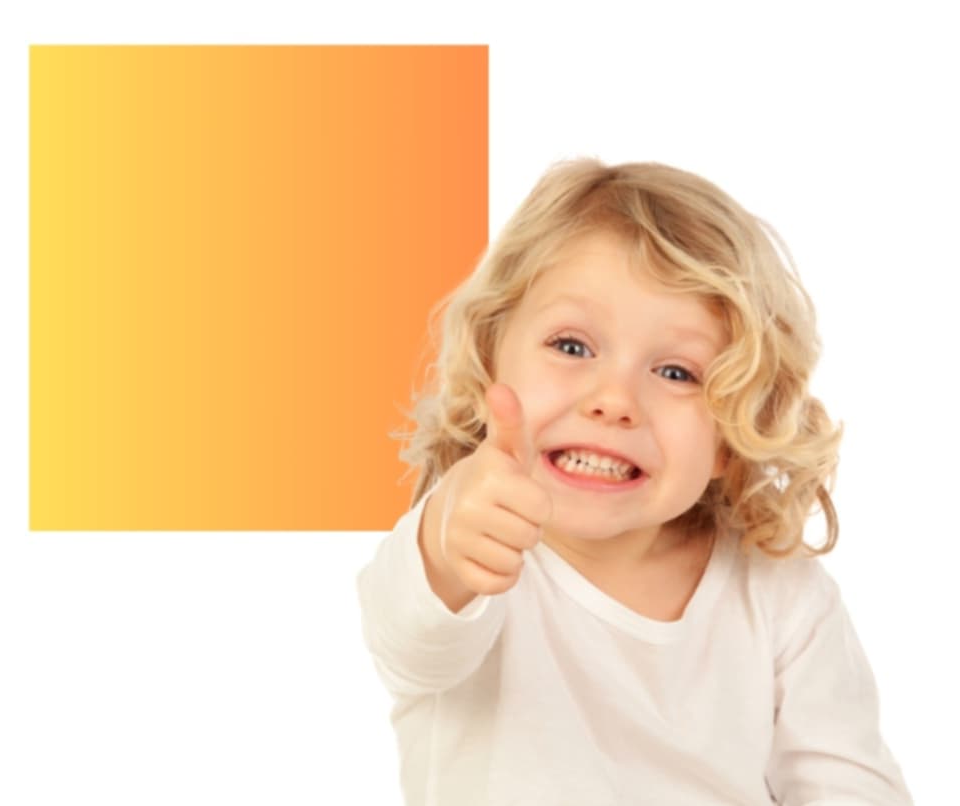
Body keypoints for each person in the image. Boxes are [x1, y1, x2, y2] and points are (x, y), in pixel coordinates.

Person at [356, 159, 913, 805]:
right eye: (571, 347)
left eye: (677, 373)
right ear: (488, 362)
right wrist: (446, 544)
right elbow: (410, 643)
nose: (614, 400)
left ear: (733, 436)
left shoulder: (780, 595)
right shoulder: (464, 554)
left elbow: (848, 782)